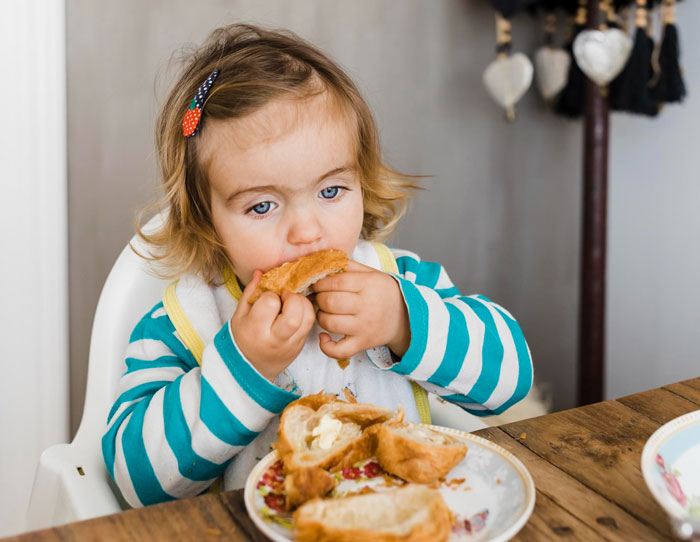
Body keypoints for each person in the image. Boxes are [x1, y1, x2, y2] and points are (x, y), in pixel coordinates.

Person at [102, 23, 533, 507]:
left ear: (362, 183)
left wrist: (402, 322)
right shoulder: (181, 324)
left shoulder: (400, 280)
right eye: (262, 206)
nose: (307, 232)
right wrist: (244, 367)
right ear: (208, 222)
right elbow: (133, 480)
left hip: (401, 521)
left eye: (331, 191)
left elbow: (511, 382)